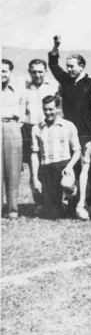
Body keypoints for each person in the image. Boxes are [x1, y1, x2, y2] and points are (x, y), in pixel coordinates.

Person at [31, 95, 81, 218]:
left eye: (51, 109)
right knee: (54, 214)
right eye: (45, 109)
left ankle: (73, 198)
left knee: (66, 184)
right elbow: (34, 154)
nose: (48, 112)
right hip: (46, 168)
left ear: (58, 108)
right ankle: (60, 203)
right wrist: (35, 178)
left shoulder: (68, 125)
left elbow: (78, 150)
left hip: (63, 165)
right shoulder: (36, 128)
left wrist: (69, 166)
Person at [48, 35, 91, 147]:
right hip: (68, 127)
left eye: (71, 66)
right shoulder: (65, 80)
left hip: (86, 128)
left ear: (81, 66)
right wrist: (56, 46)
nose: (68, 69)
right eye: (67, 66)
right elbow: (53, 65)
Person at [22, 59, 59, 205]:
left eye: (40, 71)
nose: (37, 75)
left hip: (49, 128)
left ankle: (53, 200)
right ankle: (38, 202)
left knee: (50, 164)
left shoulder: (54, 86)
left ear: (45, 71)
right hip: (30, 129)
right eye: (33, 71)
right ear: (29, 71)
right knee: (34, 167)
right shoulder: (24, 88)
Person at [1, 59, 25, 219]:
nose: (1, 74)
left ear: (10, 72)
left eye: (4, 71)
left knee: (13, 169)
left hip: (13, 127)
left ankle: (12, 209)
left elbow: (22, 116)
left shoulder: (18, 90)